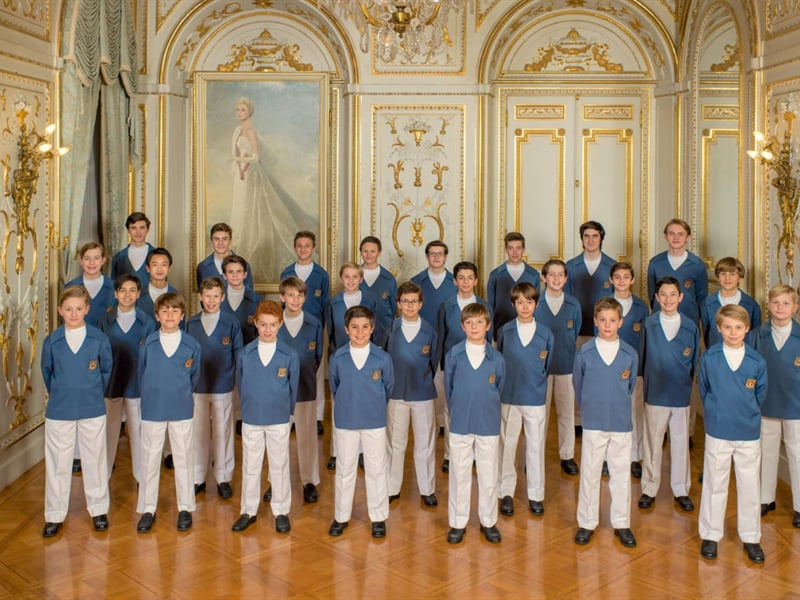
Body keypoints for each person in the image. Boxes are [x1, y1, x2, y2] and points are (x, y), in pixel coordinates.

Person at [40, 286, 113, 538]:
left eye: (78, 308)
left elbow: (106, 371)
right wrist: (63, 393)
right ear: (60, 310)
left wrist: (91, 392)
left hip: (92, 407)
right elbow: (48, 374)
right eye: (68, 309)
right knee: (58, 462)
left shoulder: (99, 339)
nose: (73, 313)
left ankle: (98, 509)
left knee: (94, 458)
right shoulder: (52, 342)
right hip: (60, 409)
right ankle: (54, 514)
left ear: (87, 309)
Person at [698, 304, 767, 563]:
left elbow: (760, 394)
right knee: (715, 482)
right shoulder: (710, 358)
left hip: (747, 430)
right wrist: (716, 412)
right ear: (719, 328)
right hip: (718, 429)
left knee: (749, 484)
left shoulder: (756, 361)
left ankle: (751, 537)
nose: (733, 332)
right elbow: (704, 390)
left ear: (747, 329)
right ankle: (710, 534)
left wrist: (745, 414)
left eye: (738, 327)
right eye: (727, 327)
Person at [572, 297, 639, 548]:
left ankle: (621, 522)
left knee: (620, 473)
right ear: (595, 321)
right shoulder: (585, 352)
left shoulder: (629, 354)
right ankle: (587, 522)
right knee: (589, 472)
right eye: (603, 320)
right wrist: (589, 407)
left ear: (620, 322)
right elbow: (578, 386)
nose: (607, 325)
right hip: (593, 421)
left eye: (612, 320)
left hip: (620, 421)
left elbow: (629, 387)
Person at [136, 293, 201, 533]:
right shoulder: (148, 345)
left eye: (175, 311)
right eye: (165, 311)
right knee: (150, 459)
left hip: (181, 408)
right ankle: (147, 507)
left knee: (184, 457)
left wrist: (182, 394)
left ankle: (185, 507)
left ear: (182, 316)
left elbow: (194, 376)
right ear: (157, 315)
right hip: (153, 408)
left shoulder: (191, 345)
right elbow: (142, 375)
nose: (170, 315)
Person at [232, 300, 299, 533]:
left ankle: (281, 510)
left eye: (272, 324)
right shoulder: (244, 354)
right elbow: (241, 384)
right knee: (251, 465)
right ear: (256, 325)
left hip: (279, 418)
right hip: (252, 417)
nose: (268, 329)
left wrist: (286, 415)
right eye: (263, 325)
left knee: (279, 465)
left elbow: (293, 387)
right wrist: (248, 408)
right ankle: (248, 510)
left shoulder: (289, 355)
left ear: (280, 324)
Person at [328, 306, 394, 539]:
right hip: (346, 420)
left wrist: (373, 406)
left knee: (376, 469)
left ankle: (378, 517)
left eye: (365, 327)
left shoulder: (382, 358)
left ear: (372, 329)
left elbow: (387, 388)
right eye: (354, 327)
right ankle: (341, 516)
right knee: (345, 469)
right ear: (346, 330)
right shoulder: (338, 358)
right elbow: (335, 387)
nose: (360, 332)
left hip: (374, 420)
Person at [229, 97, 312, 283]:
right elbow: (238, 153)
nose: (238, 113)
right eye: (237, 109)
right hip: (241, 175)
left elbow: (256, 156)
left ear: (249, 111)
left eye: (242, 109)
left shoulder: (250, 131)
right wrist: (238, 167)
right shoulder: (238, 130)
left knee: (257, 210)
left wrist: (243, 168)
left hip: (250, 173)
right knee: (242, 209)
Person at [444, 302, 505, 544]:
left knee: (489, 473)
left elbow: (498, 386)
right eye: (469, 322)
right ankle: (458, 522)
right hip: (460, 421)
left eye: (479, 322)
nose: (474, 326)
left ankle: (488, 521)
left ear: (488, 326)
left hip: (488, 422)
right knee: (459, 473)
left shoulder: (496, 358)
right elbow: (449, 389)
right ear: (462, 326)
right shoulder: (454, 355)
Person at [638, 276, 699, 512]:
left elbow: (693, 363)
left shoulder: (690, 327)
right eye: (663, 294)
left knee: (680, 442)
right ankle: (649, 488)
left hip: (680, 393)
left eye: (673, 294)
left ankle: (681, 489)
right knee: (652, 442)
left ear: (681, 297)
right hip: (655, 392)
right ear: (656, 297)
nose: (668, 299)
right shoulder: (649, 324)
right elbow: (643, 358)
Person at [496, 282, 553, 517]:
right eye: (519, 302)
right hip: (509, 397)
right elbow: (499, 363)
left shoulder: (546, 333)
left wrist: (537, 386)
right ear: (513, 304)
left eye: (529, 302)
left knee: (535, 447)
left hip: (535, 397)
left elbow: (546, 366)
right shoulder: (505, 332)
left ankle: (535, 494)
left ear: (536, 304)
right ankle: (505, 492)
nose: (524, 306)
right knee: (507, 445)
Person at [186, 277, 243, 499]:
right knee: (198, 432)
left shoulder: (231, 323)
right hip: (197, 387)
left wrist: (235, 380)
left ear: (222, 297)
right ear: (200, 297)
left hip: (223, 385)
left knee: (223, 432)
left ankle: (223, 476)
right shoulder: (191, 323)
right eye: (207, 296)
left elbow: (238, 354)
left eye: (215, 296)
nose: (211, 301)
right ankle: (198, 476)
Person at [99, 274, 157, 487]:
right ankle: (102, 475)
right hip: (111, 385)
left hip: (137, 385)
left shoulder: (148, 323)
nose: (127, 294)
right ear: (115, 293)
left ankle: (141, 476)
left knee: (138, 431)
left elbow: (152, 358)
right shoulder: (105, 321)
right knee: (109, 431)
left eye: (132, 290)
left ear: (138, 294)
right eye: (122, 290)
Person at [750, 285, 800, 527]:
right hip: (767, 402)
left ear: (795, 308)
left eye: (786, 304)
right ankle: (765, 497)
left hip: (795, 405)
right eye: (776, 303)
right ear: (768, 305)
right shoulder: (757, 335)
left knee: (797, 455)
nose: (780, 308)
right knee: (766, 450)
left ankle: (799, 506)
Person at [385, 281, 439, 507]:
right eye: (405, 301)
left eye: (414, 301)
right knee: (395, 443)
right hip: (396, 393)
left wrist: (423, 381)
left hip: (422, 393)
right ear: (398, 304)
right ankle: (391, 487)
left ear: (421, 303)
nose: (409, 305)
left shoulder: (429, 331)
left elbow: (433, 361)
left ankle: (427, 488)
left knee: (424, 443)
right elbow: (384, 360)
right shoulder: (390, 328)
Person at [436, 260, 491, 472]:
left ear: (476, 281)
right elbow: (442, 336)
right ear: (454, 280)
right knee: (452, 408)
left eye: (470, 278)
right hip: (454, 365)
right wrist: (440, 364)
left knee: (478, 406)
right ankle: (451, 454)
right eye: (461, 278)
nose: (466, 282)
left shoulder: (485, 306)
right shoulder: (447, 306)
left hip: (480, 363)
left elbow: (491, 337)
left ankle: (477, 452)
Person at [324, 262, 378, 469]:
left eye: (355, 277)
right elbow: (330, 331)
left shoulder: (369, 300)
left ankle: (362, 452)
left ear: (361, 279)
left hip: (364, 355)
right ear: (340, 278)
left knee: (363, 404)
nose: (351, 281)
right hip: (341, 357)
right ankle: (336, 452)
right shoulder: (334, 302)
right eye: (346, 276)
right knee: (339, 405)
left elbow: (375, 328)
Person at [277, 276, 323, 504]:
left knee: (307, 436)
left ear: (305, 297)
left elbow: (317, 357)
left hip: (305, 386)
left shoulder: (314, 324)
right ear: (282, 297)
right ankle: (274, 481)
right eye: (291, 295)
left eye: (300, 295)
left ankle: (309, 481)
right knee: (278, 438)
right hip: (278, 391)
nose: (295, 300)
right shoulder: (273, 322)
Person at [534, 259, 582, 475]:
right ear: (543, 278)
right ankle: (535, 455)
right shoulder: (534, 303)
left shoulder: (573, 305)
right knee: (538, 414)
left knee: (566, 412)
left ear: (565, 278)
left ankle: (567, 455)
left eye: (560, 275)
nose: (555, 278)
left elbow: (575, 331)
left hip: (565, 365)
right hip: (539, 368)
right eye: (551, 274)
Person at [280, 231, 330, 435]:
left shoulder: (321, 274)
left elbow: (325, 304)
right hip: (289, 325)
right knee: (287, 373)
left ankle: (316, 416)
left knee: (314, 375)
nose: (303, 249)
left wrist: (322, 327)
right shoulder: (287, 272)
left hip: (312, 328)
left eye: (307, 245)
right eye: (299, 245)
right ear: (295, 248)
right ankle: (290, 416)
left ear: (314, 248)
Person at [411, 240, 457, 451]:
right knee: (427, 385)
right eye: (432, 253)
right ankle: (432, 425)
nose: (437, 257)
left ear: (446, 256)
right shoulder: (417, 282)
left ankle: (444, 426)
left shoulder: (455, 281)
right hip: (422, 341)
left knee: (446, 386)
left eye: (440, 253)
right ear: (427, 256)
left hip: (448, 341)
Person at [608, 262, 649, 478]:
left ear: (632, 280)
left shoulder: (642, 308)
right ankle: (607, 457)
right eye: (618, 277)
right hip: (607, 367)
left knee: (635, 413)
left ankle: (634, 456)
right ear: (612, 280)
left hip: (635, 367)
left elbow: (644, 339)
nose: (622, 281)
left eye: (626, 276)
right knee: (609, 411)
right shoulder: (604, 304)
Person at [646, 218, 708, 324]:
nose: (676, 237)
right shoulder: (655, 263)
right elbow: (652, 294)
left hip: (689, 319)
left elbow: (701, 297)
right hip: (661, 319)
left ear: (687, 237)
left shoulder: (697, 265)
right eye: (672, 233)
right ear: (665, 236)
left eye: (680, 234)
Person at [565, 221, 616, 342]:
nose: (590, 240)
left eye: (595, 236)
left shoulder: (613, 266)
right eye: (586, 236)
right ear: (582, 239)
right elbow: (567, 299)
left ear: (601, 239)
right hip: (578, 329)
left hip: (605, 329)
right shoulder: (571, 266)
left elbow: (616, 300)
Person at [487, 232, 541, 340]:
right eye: (511, 248)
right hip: (501, 330)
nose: (515, 252)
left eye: (518, 248)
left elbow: (536, 306)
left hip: (528, 331)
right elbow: (490, 308)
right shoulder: (495, 275)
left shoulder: (533, 275)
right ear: (506, 249)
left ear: (523, 250)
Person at [700, 257, 761, 348]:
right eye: (723, 274)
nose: (727, 278)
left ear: (739, 277)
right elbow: (704, 333)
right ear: (718, 277)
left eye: (732, 274)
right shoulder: (707, 304)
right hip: (716, 356)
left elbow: (755, 336)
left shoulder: (751, 305)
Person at [65, 241, 116, 328]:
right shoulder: (71, 287)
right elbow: (65, 318)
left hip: (107, 339)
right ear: (81, 261)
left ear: (103, 260)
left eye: (96, 258)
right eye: (87, 258)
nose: (92, 262)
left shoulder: (114, 287)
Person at [359, 235, 397, 348]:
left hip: (383, 333)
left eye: (372, 251)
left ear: (379, 253)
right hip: (359, 334)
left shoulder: (389, 279)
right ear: (360, 252)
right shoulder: (353, 276)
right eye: (365, 251)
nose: (368, 255)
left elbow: (394, 307)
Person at [196, 222, 254, 290]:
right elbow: (203, 296)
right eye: (216, 239)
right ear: (212, 241)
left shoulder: (244, 265)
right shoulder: (203, 267)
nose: (220, 243)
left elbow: (249, 296)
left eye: (224, 239)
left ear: (230, 241)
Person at [220, 255, 261, 346]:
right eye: (230, 272)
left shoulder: (257, 299)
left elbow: (261, 331)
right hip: (222, 354)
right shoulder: (216, 298)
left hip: (248, 351)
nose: (235, 275)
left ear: (245, 274)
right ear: (224, 275)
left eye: (239, 271)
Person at [136, 247, 182, 323]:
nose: (159, 269)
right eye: (155, 265)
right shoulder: (138, 296)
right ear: (148, 268)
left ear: (169, 268)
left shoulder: (177, 296)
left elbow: (181, 328)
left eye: (164, 265)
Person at [111, 212, 154, 288]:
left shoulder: (156, 255)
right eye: (133, 228)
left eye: (142, 227)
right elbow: (114, 286)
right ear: (128, 230)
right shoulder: (119, 257)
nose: (138, 232)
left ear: (147, 230)